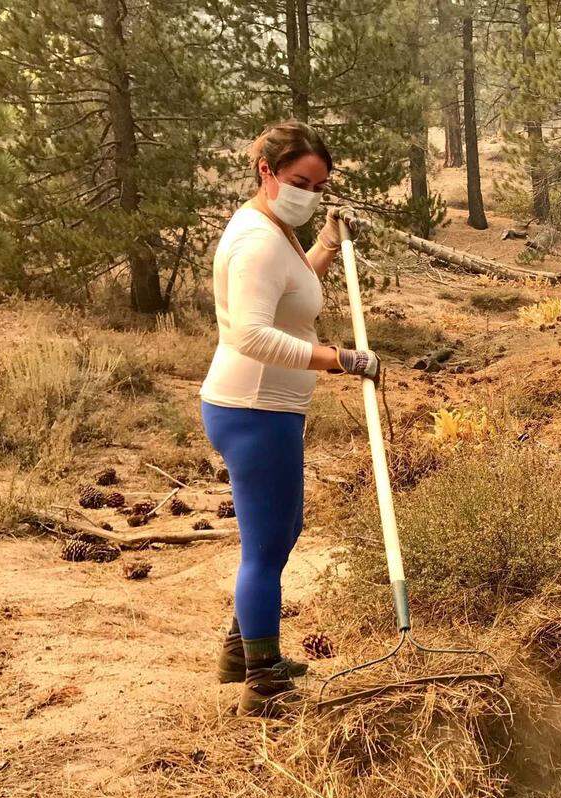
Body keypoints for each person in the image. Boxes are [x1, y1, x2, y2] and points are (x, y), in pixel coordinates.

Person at [200, 120, 378, 717]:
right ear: (266, 172)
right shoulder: (255, 239)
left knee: (279, 533)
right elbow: (250, 333)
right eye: (299, 181)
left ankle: (241, 647)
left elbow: (291, 292)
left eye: (318, 186)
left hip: (267, 408)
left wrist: (324, 247)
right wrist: (339, 359)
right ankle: (263, 681)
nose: (308, 193)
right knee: (264, 545)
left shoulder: (273, 230)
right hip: (252, 408)